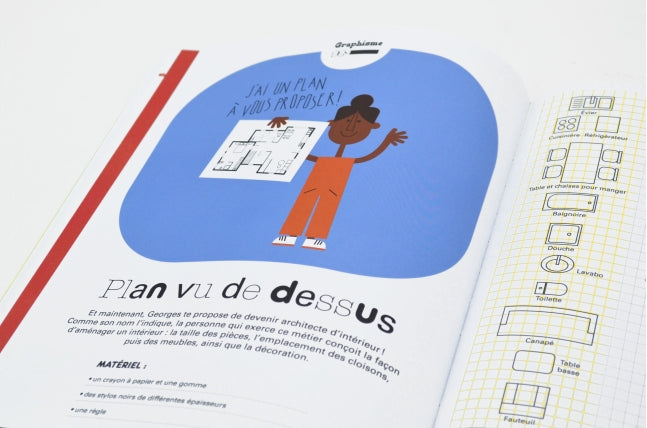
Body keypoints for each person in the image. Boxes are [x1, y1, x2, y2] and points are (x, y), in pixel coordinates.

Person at [271, 94, 407, 250]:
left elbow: (365, 157)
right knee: (304, 201)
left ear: (372, 127)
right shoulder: (323, 151)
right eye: (347, 121)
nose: (350, 128)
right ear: (332, 123)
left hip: (341, 172)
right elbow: (302, 152)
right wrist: (283, 130)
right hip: (320, 171)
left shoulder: (350, 159)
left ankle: (314, 237)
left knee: (328, 204)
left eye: (359, 123)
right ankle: (289, 234)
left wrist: (386, 141)